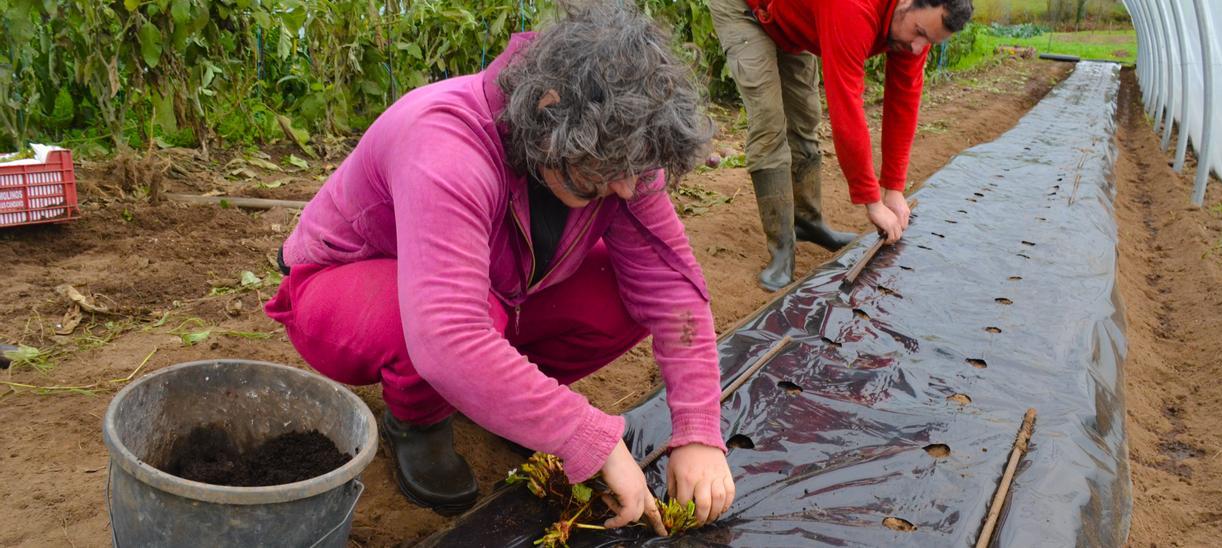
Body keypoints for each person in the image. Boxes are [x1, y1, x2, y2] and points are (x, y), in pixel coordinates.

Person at [263, 2, 735, 532]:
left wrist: (697, 431)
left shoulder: (618, 152)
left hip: (492, 294)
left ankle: (507, 397)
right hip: (345, 289)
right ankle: (417, 421)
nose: (625, 188)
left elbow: (673, 289)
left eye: (635, 170)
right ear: (548, 109)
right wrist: (588, 438)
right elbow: (449, 333)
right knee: (465, 320)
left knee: (624, 296)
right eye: (608, 170)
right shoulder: (446, 143)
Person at [710, 0, 973, 290]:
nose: (916, 47)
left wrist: (894, 190)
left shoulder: (912, 34)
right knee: (770, 124)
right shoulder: (851, 7)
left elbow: (903, 104)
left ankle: (808, 223)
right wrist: (872, 202)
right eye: (918, 32)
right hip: (747, 10)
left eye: (929, 41)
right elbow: (847, 107)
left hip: (793, 21)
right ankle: (782, 248)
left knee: (804, 121)